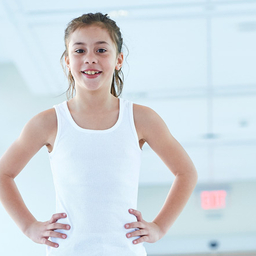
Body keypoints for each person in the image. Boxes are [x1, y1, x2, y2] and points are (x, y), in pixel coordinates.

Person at [0, 12, 198, 256]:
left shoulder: (141, 118)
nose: (90, 59)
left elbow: (186, 172)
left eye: (101, 50)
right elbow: (3, 173)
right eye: (79, 51)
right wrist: (29, 226)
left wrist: (159, 227)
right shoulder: (48, 122)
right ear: (67, 61)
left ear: (118, 59)